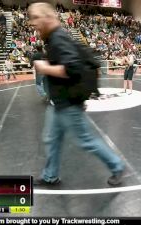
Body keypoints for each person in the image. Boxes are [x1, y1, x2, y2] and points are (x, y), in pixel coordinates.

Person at [28, 2, 125, 186]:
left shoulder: (58, 38)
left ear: (48, 17)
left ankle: (117, 166)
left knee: (86, 140)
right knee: (51, 139)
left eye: (36, 18)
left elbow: (72, 69)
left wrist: (45, 67)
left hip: (69, 104)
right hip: (59, 102)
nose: (33, 24)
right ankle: (50, 175)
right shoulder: (53, 38)